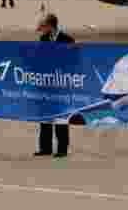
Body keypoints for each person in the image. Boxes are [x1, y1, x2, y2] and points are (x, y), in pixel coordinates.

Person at [35, 13, 75, 157]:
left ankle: (62, 149)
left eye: (43, 26)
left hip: (62, 83)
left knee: (61, 117)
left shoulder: (67, 39)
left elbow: (73, 60)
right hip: (46, 82)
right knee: (45, 116)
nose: (41, 29)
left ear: (50, 26)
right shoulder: (43, 39)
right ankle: (45, 148)